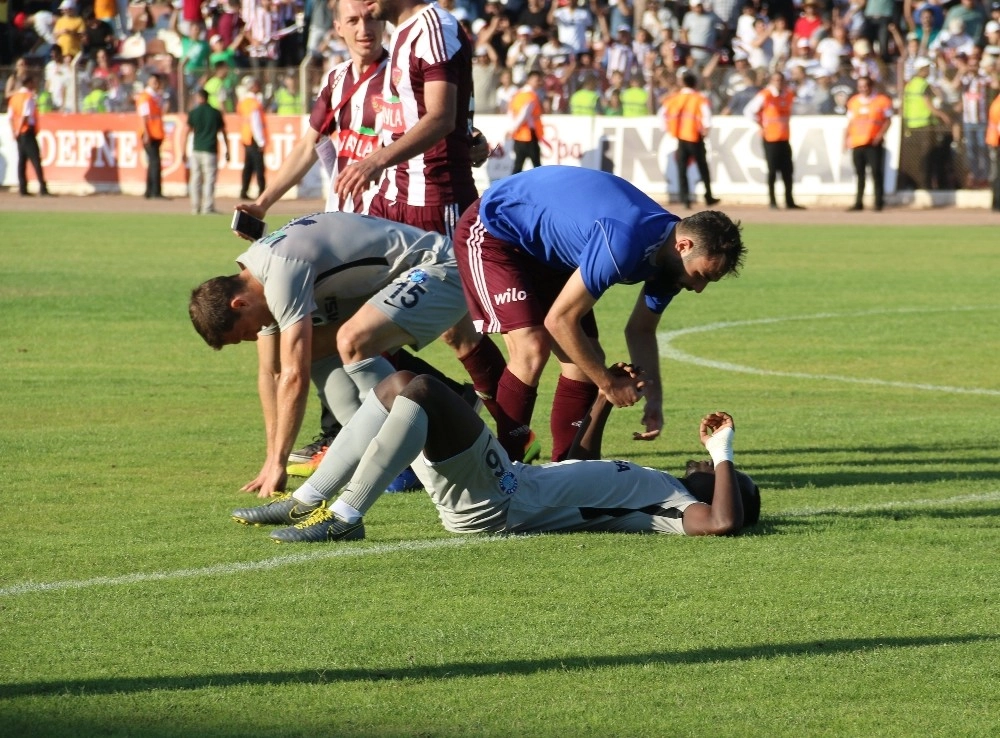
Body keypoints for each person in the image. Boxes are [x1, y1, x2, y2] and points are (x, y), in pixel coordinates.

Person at [230, 367, 761, 542]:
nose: (705, 465)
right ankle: (309, 499)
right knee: (397, 384)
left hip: (500, 497)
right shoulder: (657, 484)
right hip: (505, 486)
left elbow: (723, 524)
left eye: (719, 475)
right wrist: (602, 399)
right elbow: (576, 460)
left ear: (722, 487)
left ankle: (346, 515)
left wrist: (723, 452)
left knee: (423, 393)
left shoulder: (677, 506)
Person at [451, 166, 745, 465]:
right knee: (532, 348)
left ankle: (568, 473)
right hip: (494, 231)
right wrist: (608, 384)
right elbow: (559, 321)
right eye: (701, 276)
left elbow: (641, 330)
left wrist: (653, 398)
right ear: (684, 246)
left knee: (584, 362)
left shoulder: (670, 260)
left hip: (546, 253)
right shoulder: (625, 240)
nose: (698, 288)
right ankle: (505, 473)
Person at [189, 211, 494, 498]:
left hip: (441, 267)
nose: (255, 337)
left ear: (239, 305)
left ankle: (419, 439)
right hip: (395, 278)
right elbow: (272, 371)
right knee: (315, 350)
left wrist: (280, 462)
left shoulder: (280, 272)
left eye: (246, 333)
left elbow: (294, 376)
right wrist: (271, 458)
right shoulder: (255, 276)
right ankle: (401, 454)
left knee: (353, 340)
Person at [332, 0, 480, 239]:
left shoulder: (434, 29)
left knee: (439, 277)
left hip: (433, 202)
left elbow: (441, 117)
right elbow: (415, 115)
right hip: (390, 197)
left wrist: (375, 161)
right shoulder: (402, 31)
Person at [744, 71, 805, 210]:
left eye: (780, 80)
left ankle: (789, 201)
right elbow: (749, 111)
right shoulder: (766, 95)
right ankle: (772, 201)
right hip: (770, 138)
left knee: (787, 170)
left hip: (784, 137)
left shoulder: (788, 94)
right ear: (771, 81)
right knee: (772, 170)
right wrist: (760, 124)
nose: (778, 82)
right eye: (775, 80)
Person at [664, 70, 719, 209]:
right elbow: (706, 115)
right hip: (695, 137)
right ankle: (708, 196)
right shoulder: (699, 98)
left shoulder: (674, 98)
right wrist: (706, 129)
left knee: (682, 169)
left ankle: (685, 199)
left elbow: (664, 114)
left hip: (681, 138)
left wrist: (670, 129)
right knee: (703, 167)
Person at [843, 75, 893, 211]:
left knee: (877, 172)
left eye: (865, 86)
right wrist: (845, 140)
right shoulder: (853, 102)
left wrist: (880, 135)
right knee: (860, 174)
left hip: (873, 143)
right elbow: (850, 122)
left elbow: (888, 120)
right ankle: (858, 202)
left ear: (871, 86)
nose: (863, 89)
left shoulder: (882, 101)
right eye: (860, 86)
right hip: (857, 142)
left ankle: (878, 202)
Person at [183, 87, 230, 215]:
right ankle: (207, 207)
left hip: (196, 149)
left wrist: (183, 150)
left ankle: (195, 207)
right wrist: (227, 148)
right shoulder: (215, 113)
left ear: (199, 98)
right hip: (210, 150)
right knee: (209, 179)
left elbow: (186, 132)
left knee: (195, 179)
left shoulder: (194, 112)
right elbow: (223, 132)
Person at [8, 74, 50, 197]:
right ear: (29, 83)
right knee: (35, 159)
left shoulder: (14, 97)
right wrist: (20, 129)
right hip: (27, 131)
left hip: (18, 133)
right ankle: (42, 188)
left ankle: (22, 188)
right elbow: (25, 116)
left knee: (22, 161)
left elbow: (10, 117)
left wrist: (14, 132)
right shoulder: (28, 97)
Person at [237, 76, 268, 201]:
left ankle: (244, 190)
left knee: (248, 167)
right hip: (254, 138)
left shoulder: (243, 101)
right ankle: (262, 192)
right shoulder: (254, 103)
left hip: (246, 138)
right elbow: (256, 123)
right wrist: (261, 141)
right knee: (259, 166)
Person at [509, 69, 545, 174]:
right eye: (537, 80)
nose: (539, 83)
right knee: (537, 166)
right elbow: (523, 115)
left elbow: (512, 112)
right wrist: (513, 128)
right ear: (529, 80)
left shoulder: (518, 94)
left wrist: (513, 129)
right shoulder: (530, 96)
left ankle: (511, 187)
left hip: (519, 135)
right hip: (528, 135)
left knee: (518, 166)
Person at [136, 73, 166, 200]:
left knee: (153, 163)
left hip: (156, 132)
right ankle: (155, 192)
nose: (155, 84)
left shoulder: (155, 97)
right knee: (155, 163)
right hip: (150, 133)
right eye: (153, 81)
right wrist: (146, 133)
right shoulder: (146, 97)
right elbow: (144, 116)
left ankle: (149, 191)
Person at [987, 89, 1000, 211]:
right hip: (997, 142)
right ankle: (997, 203)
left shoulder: (996, 102)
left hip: (994, 141)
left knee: (996, 174)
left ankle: (996, 203)